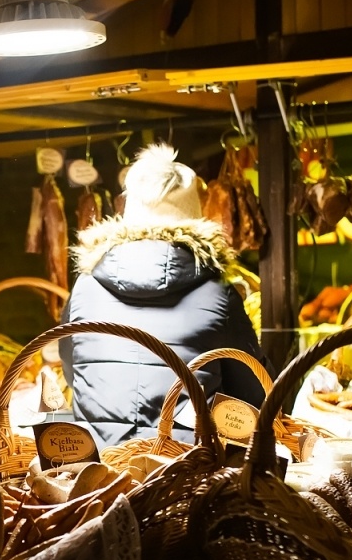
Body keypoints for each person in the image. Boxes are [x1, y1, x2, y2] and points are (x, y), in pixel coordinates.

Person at [61, 144, 268, 446]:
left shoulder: (86, 286)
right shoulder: (218, 292)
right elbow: (252, 389)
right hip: (183, 469)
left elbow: (74, 371)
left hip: (98, 472)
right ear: (195, 217)